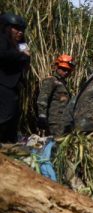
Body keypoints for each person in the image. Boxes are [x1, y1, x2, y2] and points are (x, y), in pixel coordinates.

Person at [0, 13, 30, 143]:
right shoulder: (1, 39)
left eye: (22, 30)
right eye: (16, 29)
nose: (20, 32)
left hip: (12, 86)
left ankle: (8, 144)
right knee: (6, 115)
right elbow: (3, 55)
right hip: (3, 84)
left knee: (13, 115)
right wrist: (22, 55)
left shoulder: (18, 44)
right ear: (6, 27)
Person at [37, 54, 75, 136]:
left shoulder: (63, 84)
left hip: (63, 121)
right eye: (63, 69)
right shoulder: (51, 81)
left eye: (68, 70)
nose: (66, 72)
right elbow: (42, 99)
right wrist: (42, 116)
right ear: (56, 67)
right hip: (54, 122)